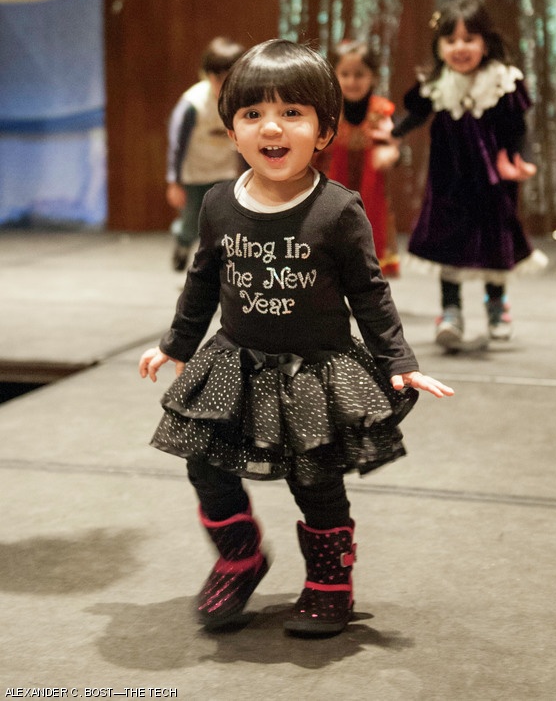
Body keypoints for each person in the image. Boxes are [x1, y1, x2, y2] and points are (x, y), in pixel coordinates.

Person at [139, 38, 454, 637]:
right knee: (205, 466)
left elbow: (369, 292)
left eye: (291, 113)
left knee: (315, 480)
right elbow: (203, 282)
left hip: (313, 369)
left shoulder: (338, 210)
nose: (270, 128)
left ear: (324, 130)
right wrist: (176, 344)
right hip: (234, 363)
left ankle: (330, 580)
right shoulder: (218, 206)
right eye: (252, 114)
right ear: (232, 132)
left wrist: (398, 359)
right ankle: (239, 558)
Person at [391, 0, 540, 348]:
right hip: (448, 183)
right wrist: (390, 136)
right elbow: (413, 117)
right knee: (447, 240)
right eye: (451, 40)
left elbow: (519, 128)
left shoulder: (503, 81)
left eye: (469, 39)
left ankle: (496, 303)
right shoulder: (436, 83)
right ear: (439, 46)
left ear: (485, 43)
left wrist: (522, 159)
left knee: (494, 238)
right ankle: (451, 310)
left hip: (493, 181)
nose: (460, 48)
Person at [314, 39, 401, 276]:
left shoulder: (382, 111)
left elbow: (393, 146)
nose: (352, 81)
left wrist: (390, 152)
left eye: (359, 74)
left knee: (367, 248)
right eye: (345, 74)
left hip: (370, 195)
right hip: (330, 189)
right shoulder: (327, 110)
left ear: (372, 77)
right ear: (335, 75)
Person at [166, 36, 246, 271]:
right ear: (208, 75)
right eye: (220, 78)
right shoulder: (193, 104)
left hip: (225, 174)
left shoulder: (240, 102)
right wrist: (174, 181)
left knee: (224, 224)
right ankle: (181, 243)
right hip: (194, 177)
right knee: (192, 224)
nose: (226, 85)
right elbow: (176, 145)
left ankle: (218, 268)